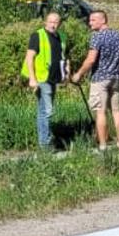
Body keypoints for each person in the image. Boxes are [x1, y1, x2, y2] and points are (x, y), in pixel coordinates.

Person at [70, 9, 119, 152]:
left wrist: (79, 74)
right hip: (116, 78)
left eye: (93, 20)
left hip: (100, 79)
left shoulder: (97, 37)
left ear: (103, 20)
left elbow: (91, 60)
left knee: (101, 111)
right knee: (116, 110)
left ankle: (103, 146)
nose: (90, 23)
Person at [22, 12, 69, 150]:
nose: (53, 24)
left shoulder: (61, 37)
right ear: (45, 22)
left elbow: (64, 57)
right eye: (51, 21)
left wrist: (67, 73)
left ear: (60, 23)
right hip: (42, 78)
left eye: (56, 22)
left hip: (54, 78)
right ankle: (45, 144)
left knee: (45, 110)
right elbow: (30, 57)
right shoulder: (38, 35)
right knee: (46, 111)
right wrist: (32, 78)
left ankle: (46, 142)